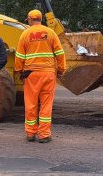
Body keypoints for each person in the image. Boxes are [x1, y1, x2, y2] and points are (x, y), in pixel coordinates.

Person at [15, 9, 66, 143]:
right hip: (48, 73)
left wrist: (19, 71)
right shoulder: (50, 33)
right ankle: (44, 135)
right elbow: (60, 53)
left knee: (31, 104)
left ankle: (30, 133)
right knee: (46, 104)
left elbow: (19, 56)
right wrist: (61, 70)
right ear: (41, 19)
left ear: (30, 19)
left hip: (31, 74)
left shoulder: (25, 34)